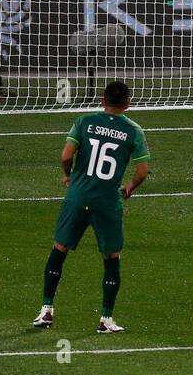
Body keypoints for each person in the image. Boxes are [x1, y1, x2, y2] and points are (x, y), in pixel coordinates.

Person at [32, 80, 151, 334]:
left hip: (77, 197)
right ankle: (106, 319)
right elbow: (142, 171)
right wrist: (130, 186)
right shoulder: (133, 130)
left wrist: (67, 176)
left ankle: (46, 310)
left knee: (59, 250)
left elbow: (66, 155)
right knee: (110, 258)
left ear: (102, 101)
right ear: (127, 104)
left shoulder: (84, 121)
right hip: (107, 202)